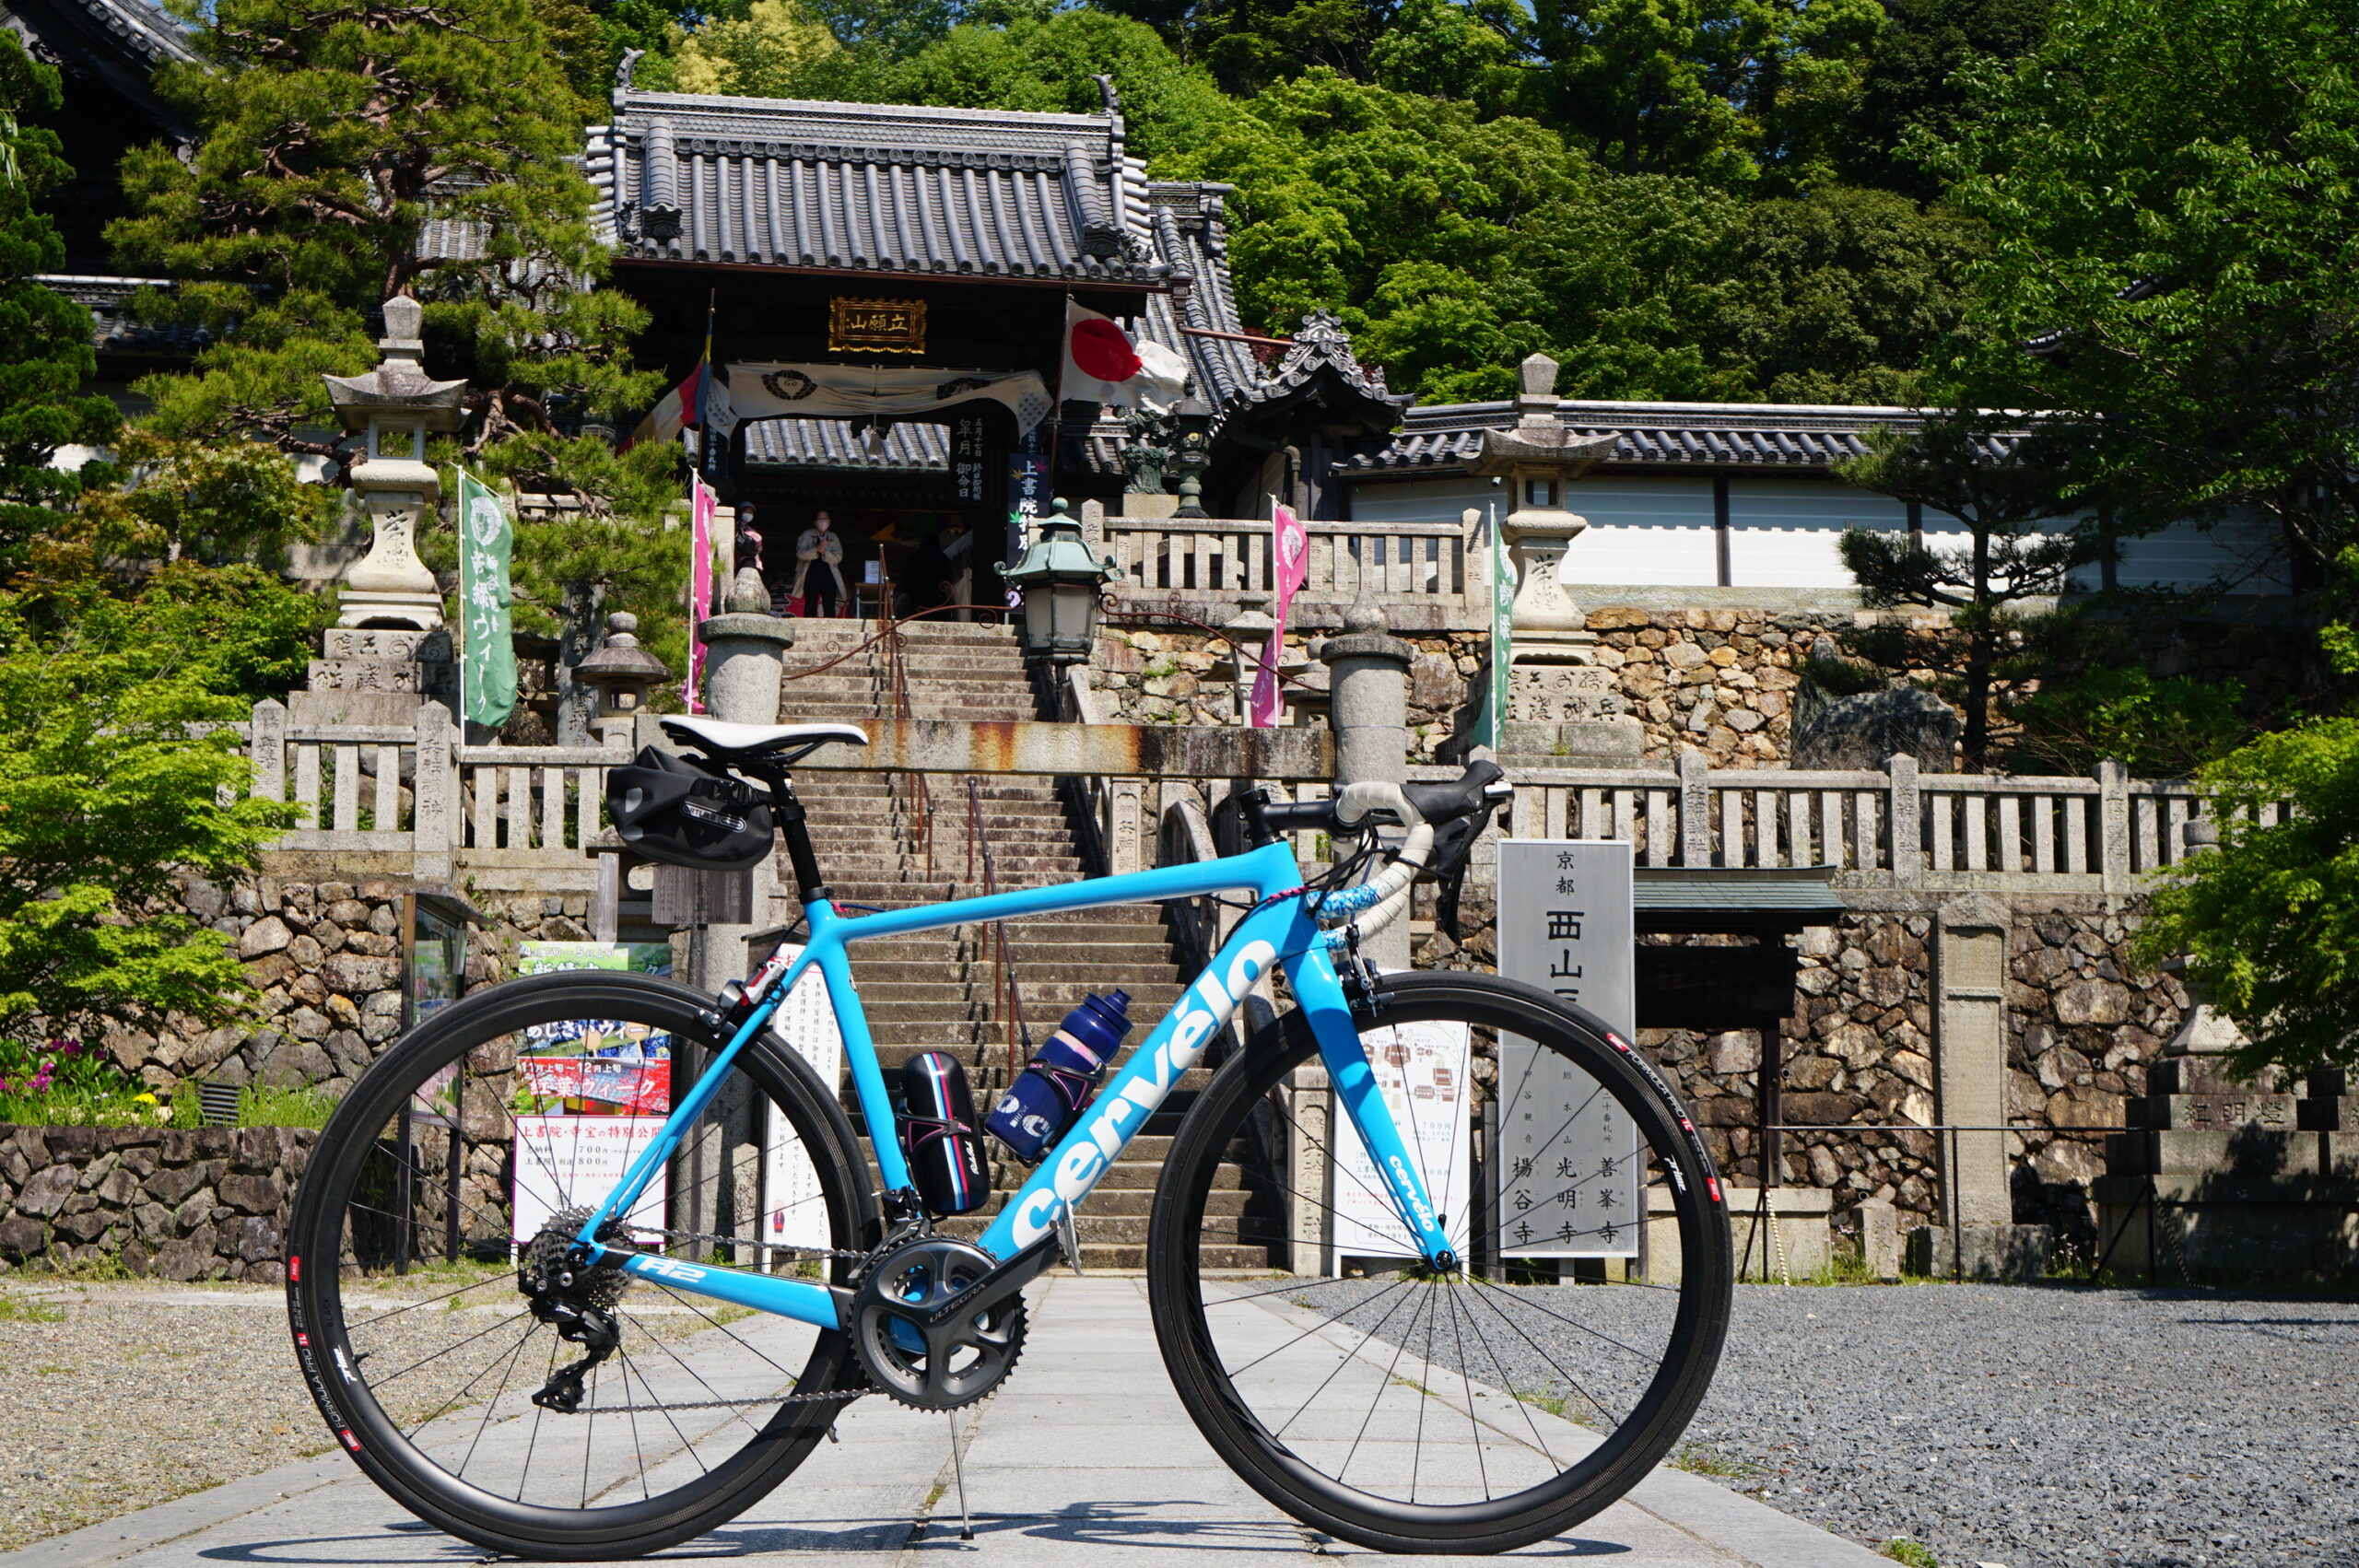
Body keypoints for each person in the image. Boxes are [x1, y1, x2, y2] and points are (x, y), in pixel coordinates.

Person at [791, 510, 847, 617]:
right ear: (815, 521)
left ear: (829, 521)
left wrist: (825, 552)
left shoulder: (833, 537)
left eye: (825, 519)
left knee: (829, 604)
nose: (823, 521)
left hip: (829, 574)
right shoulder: (807, 535)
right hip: (810, 572)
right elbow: (801, 554)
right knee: (810, 604)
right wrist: (816, 550)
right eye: (820, 519)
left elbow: (838, 557)